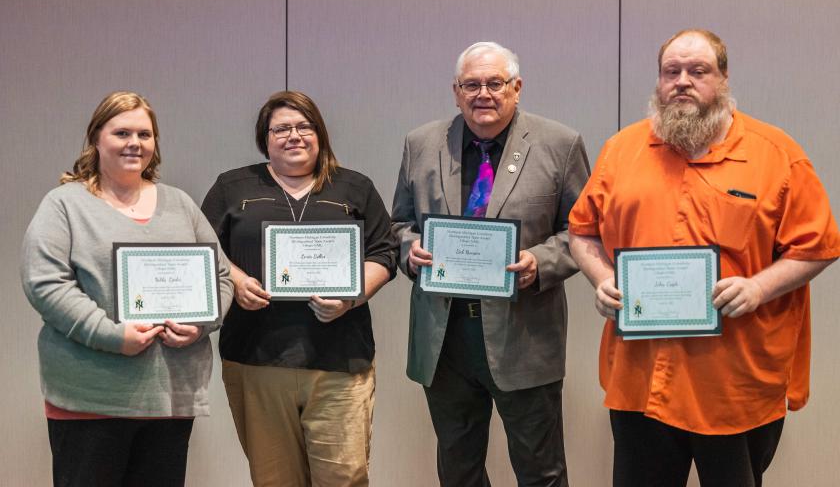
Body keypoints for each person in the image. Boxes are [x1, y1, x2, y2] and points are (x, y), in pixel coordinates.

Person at [568, 29, 840, 487]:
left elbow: (818, 247)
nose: (682, 82)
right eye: (671, 72)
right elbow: (581, 232)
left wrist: (758, 287)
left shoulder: (777, 155)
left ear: (724, 77)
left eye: (698, 71)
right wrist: (601, 278)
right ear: (658, 81)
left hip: (735, 385)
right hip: (640, 381)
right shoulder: (622, 151)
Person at [391, 41, 590, 486]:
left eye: (495, 83)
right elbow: (398, 222)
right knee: (458, 471)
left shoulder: (560, 143)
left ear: (516, 88)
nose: (484, 93)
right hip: (445, 337)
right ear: (456, 91)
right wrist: (411, 249)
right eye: (471, 84)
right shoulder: (421, 143)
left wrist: (540, 261)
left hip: (524, 332)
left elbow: (584, 231)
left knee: (541, 472)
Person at [20, 91, 234, 487]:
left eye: (144, 134)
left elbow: (219, 278)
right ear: (96, 139)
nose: (134, 143)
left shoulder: (180, 205)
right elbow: (45, 283)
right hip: (89, 399)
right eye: (121, 132)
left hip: (168, 399)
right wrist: (112, 335)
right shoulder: (65, 205)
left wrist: (200, 324)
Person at [201, 90, 397, 486]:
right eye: (281, 129)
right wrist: (237, 281)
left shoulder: (354, 187)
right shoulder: (233, 187)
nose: (294, 135)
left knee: (344, 478)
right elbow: (203, 248)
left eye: (304, 126)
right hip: (256, 357)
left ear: (320, 133)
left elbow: (385, 251)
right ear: (265, 138)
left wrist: (351, 296)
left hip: (339, 359)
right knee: (274, 480)